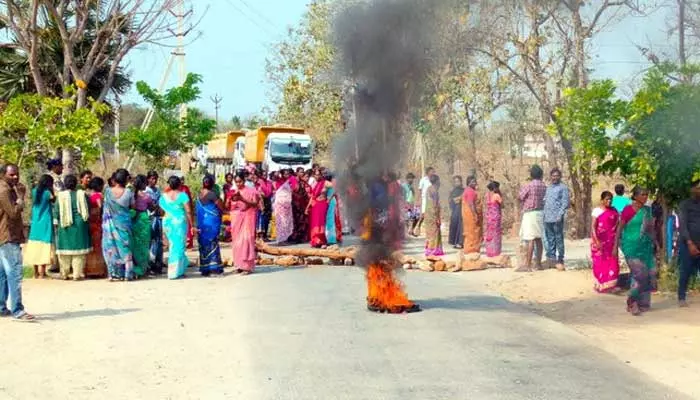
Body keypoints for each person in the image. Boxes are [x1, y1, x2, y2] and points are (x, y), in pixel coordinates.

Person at [0, 164, 34, 321]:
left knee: (3, 274)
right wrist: (20, 197)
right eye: (12, 175)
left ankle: (1, 306)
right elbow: (13, 213)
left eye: (17, 174)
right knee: (14, 273)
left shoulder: (7, 188)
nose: (16, 177)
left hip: (5, 235)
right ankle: (18, 310)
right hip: (8, 236)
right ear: (3, 175)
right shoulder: (4, 190)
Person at [617, 186, 657, 316]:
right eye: (643, 194)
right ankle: (632, 300)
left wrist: (656, 243)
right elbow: (620, 228)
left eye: (646, 194)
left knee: (650, 272)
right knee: (639, 274)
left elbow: (651, 228)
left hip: (646, 246)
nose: (645, 197)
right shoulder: (628, 210)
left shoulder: (647, 210)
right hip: (631, 246)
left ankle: (643, 303)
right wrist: (614, 246)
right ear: (635, 196)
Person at [54, 175, 91, 281]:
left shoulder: (60, 196)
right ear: (76, 184)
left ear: (65, 184)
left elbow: (56, 210)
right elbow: (88, 206)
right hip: (80, 224)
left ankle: (64, 273)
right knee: (79, 252)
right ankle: (76, 275)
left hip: (65, 224)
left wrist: (56, 222)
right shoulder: (82, 194)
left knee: (65, 251)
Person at [102, 168, 135, 281]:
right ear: (126, 179)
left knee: (111, 248)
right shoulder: (129, 192)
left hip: (109, 225)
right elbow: (133, 206)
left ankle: (112, 274)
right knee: (125, 248)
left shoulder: (107, 191)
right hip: (124, 225)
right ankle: (127, 274)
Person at [160, 176, 193, 280]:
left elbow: (161, 210)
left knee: (172, 245)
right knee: (179, 246)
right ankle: (175, 272)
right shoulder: (183, 195)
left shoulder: (163, 196)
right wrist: (192, 224)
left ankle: (178, 270)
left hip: (167, 222)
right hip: (179, 223)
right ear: (180, 184)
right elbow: (188, 211)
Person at [228, 171, 259, 274]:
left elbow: (255, 204)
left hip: (248, 218)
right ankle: (239, 265)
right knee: (237, 243)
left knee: (246, 241)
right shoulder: (233, 191)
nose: (238, 184)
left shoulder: (251, 191)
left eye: (240, 181)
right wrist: (229, 200)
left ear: (244, 180)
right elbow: (230, 207)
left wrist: (242, 199)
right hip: (237, 220)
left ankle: (247, 267)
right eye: (236, 182)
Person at [517, 165, 547, 272]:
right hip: (540, 213)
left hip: (530, 213)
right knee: (538, 239)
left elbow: (520, 197)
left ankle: (527, 265)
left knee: (530, 239)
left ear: (531, 175)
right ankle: (538, 264)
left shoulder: (529, 185)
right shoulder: (544, 186)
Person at [24, 174, 55, 279]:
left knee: (35, 246)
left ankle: (35, 272)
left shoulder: (34, 191)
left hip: (35, 222)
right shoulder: (47, 193)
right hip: (45, 221)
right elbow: (53, 199)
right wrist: (52, 190)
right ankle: (43, 273)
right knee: (44, 246)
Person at [591, 191, 620, 293]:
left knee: (613, 262)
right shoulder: (597, 211)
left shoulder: (614, 211)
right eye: (607, 199)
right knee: (600, 263)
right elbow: (593, 227)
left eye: (611, 199)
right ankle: (601, 286)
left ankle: (610, 285)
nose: (609, 201)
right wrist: (597, 240)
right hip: (599, 241)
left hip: (611, 241)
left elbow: (617, 226)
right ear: (602, 200)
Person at [197, 175, 225, 276]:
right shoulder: (212, 195)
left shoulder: (199, 194)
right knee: (213, 243)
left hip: (202, 223)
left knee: (204, 245)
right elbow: (221, 206)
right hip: (212, 223)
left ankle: (205, 268)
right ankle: (214, 268)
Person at [678, 179, 700, 307]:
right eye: (698, 188)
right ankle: (681, 297)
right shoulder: (685, 204)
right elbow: (683, 225)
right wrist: (690, 243)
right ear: (692, 189)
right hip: (688, 244)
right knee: (685, 271)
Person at [543, 168, 570, 270]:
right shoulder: (549, 188)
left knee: (559, 238)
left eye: (556, 175)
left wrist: (560, 215)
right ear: (550, 177)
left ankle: (560, 258)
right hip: (548, 218)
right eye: (553, 176)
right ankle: (552, 259)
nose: (554, 177)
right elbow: (545, 201)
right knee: (550, 239)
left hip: (557, 218)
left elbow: (565, 203)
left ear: (560, 176)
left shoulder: (563, 188)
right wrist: (544, 215)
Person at [131, 175, 153, 279]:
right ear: (143, 184)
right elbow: (152, 207)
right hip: (143, 220)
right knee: (144, 246)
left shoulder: (131, 195)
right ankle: (142, 269)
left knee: (135, 245)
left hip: (133, 220)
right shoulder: (146, 196)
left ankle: (134, 268)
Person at [85, 177, 107, 278]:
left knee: (91, 246)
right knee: (98, 246)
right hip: (97, 222)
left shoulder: (87, 194)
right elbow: (100, 206)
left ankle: (89, 269)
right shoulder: (98, 195)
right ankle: (98, 269)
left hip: (89, 222)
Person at [145, 171, 165, 274]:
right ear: (148, 179)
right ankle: (149, 265)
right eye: (152, 178)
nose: (154, 181)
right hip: (149, 218)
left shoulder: (158, 191)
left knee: (158, 241)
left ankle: (158, 264)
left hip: (158, 218)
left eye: (155, 179)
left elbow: (161, 204)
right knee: (150, 241)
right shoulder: (145, 191)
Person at [424, 174, 444, 256]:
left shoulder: (428, 189)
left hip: (428, 213)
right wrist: (437, 217)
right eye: (439, 181)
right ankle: (434, 249)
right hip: (433, 214)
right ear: (436, 181)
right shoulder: (434, 191)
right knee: (435, 231)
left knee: (429, 231)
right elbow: (435, 204)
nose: (440, 183)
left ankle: (429, 249)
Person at [308, 169, 329, 248]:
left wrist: (329, 199)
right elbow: (312, 197)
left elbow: (335, 188)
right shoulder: (314, 184)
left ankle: (323, 241)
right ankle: (316, 241)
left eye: (318, 175)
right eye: (315, 175)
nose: (317, 176)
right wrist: (307, 207)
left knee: (321, 222)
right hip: (315, 205)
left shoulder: (325, 183)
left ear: (321, 175)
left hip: (322, 204)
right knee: (315, 223)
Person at [462, 176, 483, 253]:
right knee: (473, 232)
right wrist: (475, 215)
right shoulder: (470, 191)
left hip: (467, 215)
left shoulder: (467, 190)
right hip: (471, 215)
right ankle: (472, 249)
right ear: (468, 183)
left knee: (469, 231)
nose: (474, 183)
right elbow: (471, 204)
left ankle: (469, 248)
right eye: (472, 182)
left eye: (475, 181)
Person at [289, 169, 311, 243]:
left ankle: (300, 237)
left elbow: (305, 193)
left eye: (303, 172)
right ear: (297, 173)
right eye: (301, 172)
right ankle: (295, 236)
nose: (302, 173)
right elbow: (291, 191)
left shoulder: (303, 182)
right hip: (295, 204)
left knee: (302, 221)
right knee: (295, 220)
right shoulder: (293, 181)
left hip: (302, 204)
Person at [273, 170, 294, 244]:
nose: (287, 175)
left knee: (286, 222)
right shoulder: (279, 181)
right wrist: (277, 173)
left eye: (288, 174)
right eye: (285, 174)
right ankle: (280, 240)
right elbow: (275, 177)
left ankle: (285, 239)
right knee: (280, 222)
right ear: (282, 175)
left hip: (287, 205)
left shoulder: (289, 182)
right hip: (280, 205)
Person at [485, 181, 503, 257]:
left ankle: (489, 251)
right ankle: (495, 251)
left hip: (489, 217)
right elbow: (502, 205)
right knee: (496, 234)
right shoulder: (496, 196)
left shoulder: (487, 195)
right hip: (495, 217)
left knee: (490, 233)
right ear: (495, 188)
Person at [416, 167, 435, 236]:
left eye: (433, 171)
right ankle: (418, 227)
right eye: (431, 171)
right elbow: (420, 190)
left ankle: (430, 230)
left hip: (432, 199)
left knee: (431, 214)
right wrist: (418, 200)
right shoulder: (423, 180)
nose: (433, 173)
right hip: (425, 199)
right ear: (428, 172)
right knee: (423, 215)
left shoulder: (434, 180)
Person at [325, 173, 342, 245]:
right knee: (331, 219)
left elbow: (334, 191)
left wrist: (329, 199)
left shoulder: (327, 183)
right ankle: (332, 238)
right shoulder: (332, 183)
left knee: (330, 220)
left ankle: (331, 239)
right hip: (332, 201)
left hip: (330, 201)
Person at [447, 176, 464, 248]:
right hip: (455, 210)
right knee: (455, 225)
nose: (457, 183)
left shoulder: (464, 190)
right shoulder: (452, 191)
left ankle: (460, 242)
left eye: (458, 181)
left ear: (461, 182)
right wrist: (458, 199)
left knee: (461, 227)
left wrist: (459, 199)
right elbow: (451, 200)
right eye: (455, 181)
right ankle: (455, 242)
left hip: (462, 210)